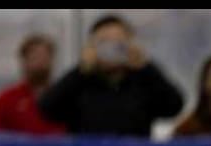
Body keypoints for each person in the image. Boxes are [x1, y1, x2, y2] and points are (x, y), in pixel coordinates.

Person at [38, 14, 183, 136]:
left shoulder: (143, 81)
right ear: (92, 46)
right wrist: (80, 70)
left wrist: (146, 67)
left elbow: (174, 106)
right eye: (104, 43)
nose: (112, 50)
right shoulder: (80, 83)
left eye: (118, 43)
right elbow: (47, 109)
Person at [0, 33, 65, 135]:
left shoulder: (64, 99)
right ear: (24, 61)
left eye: (45, 57)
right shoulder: (5, 100)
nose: (40, 63)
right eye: (35, 57)